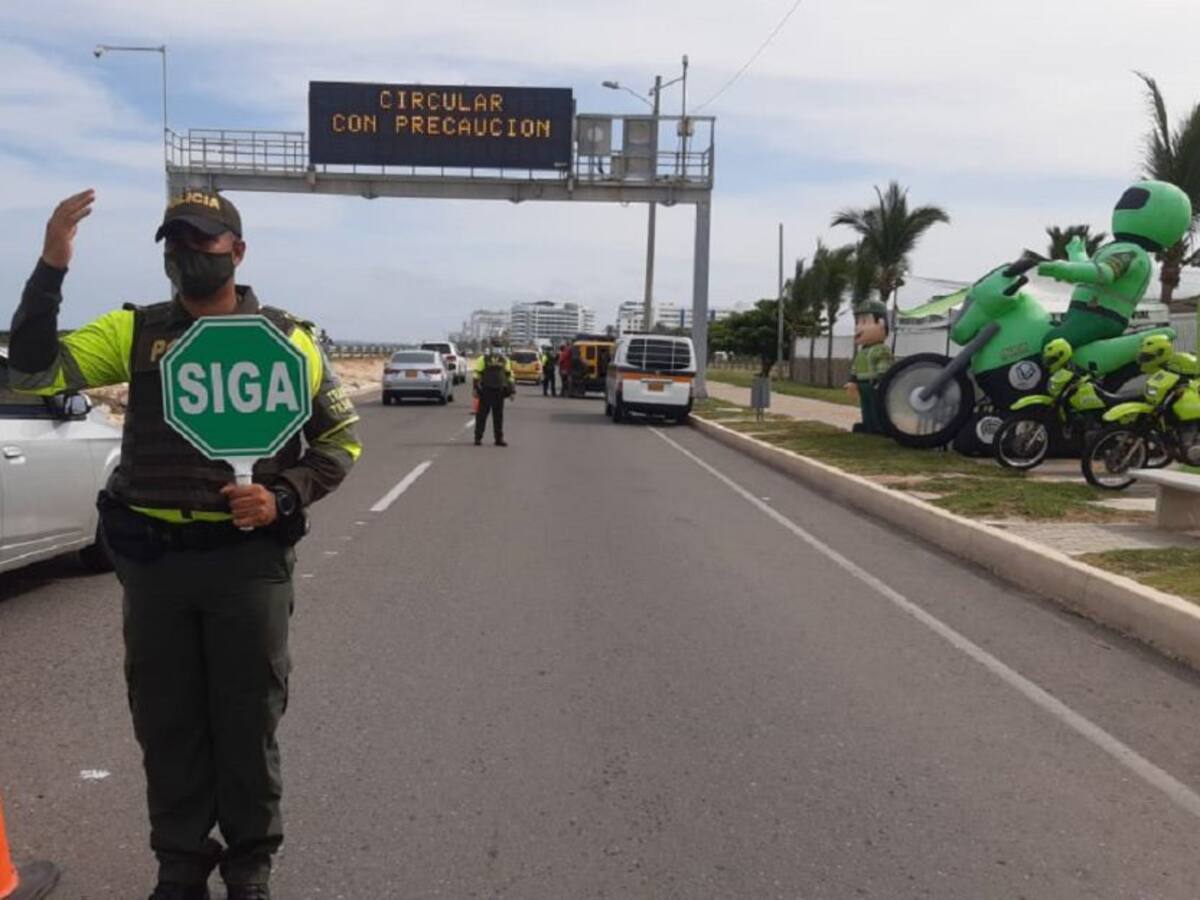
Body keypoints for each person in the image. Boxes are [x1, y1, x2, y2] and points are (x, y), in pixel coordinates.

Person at [9, 189, 362, 900]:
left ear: (236, 250)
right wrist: (52, 266)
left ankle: (250, 869)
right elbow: (34, 370)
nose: (187, 255)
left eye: (203, 241)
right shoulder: (136, 332)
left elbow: (341, 441)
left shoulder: (288, 339)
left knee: (246, 724)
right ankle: (178, 866)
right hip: (157, 568)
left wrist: (282, 494)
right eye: (175, 242)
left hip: (248, 567)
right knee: (166, 725)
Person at [1039, 180, 1192, 350]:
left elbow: (1104, 273)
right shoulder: (1118, 249)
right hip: (1085, 313)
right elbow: (1091, 272)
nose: (1123, 206)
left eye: (1133, 201)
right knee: (1041, 329)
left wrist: (1063, 268)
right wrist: (1077, 254)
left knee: (1052, 342)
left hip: (1100, 316)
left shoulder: (1132, 254)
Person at [845, 299, 893, 434]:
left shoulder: (881, 350)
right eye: (858, 322)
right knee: (865, 406)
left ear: (881, 323)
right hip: (862, 384)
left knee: (876, 406)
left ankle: (879, 427)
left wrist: (880, 380)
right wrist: (852, 380)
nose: (858, 327)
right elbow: (855, 368)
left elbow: (884, 366)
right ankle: (867, 424)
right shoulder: (862, 352)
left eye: (864, 322)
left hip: (874, 384)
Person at [472, 343, 514, 446]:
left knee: (498, 417)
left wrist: (511, 391)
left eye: (498, 347)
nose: (497, 350)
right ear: (491, 348)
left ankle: (498, 439)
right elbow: (477, 374)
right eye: (495, 347)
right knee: (482, 416)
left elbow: (509, 376)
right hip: (486, 390)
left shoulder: (505, 360)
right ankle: (478, 438)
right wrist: (475, 389)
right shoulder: (483, 359)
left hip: (498, 391)